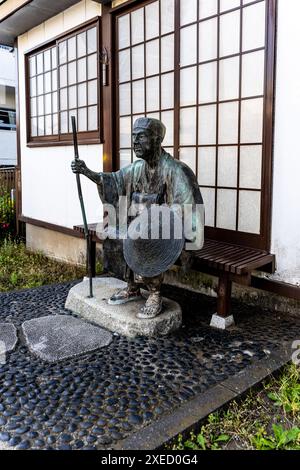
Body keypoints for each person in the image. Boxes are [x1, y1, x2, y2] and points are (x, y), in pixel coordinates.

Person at [71, 117, 204, 319]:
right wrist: (87, 172)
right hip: (140, 226)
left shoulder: (177, 170)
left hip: (170, 231)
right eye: (133, 137)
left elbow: (188, 210)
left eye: (141, 137)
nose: (135, 142)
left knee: (145, 237)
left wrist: (158, 221)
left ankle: (154, 293)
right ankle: (132, 286)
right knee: (115, 232)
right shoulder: (137, 168)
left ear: (157, 139)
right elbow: (113, 181)